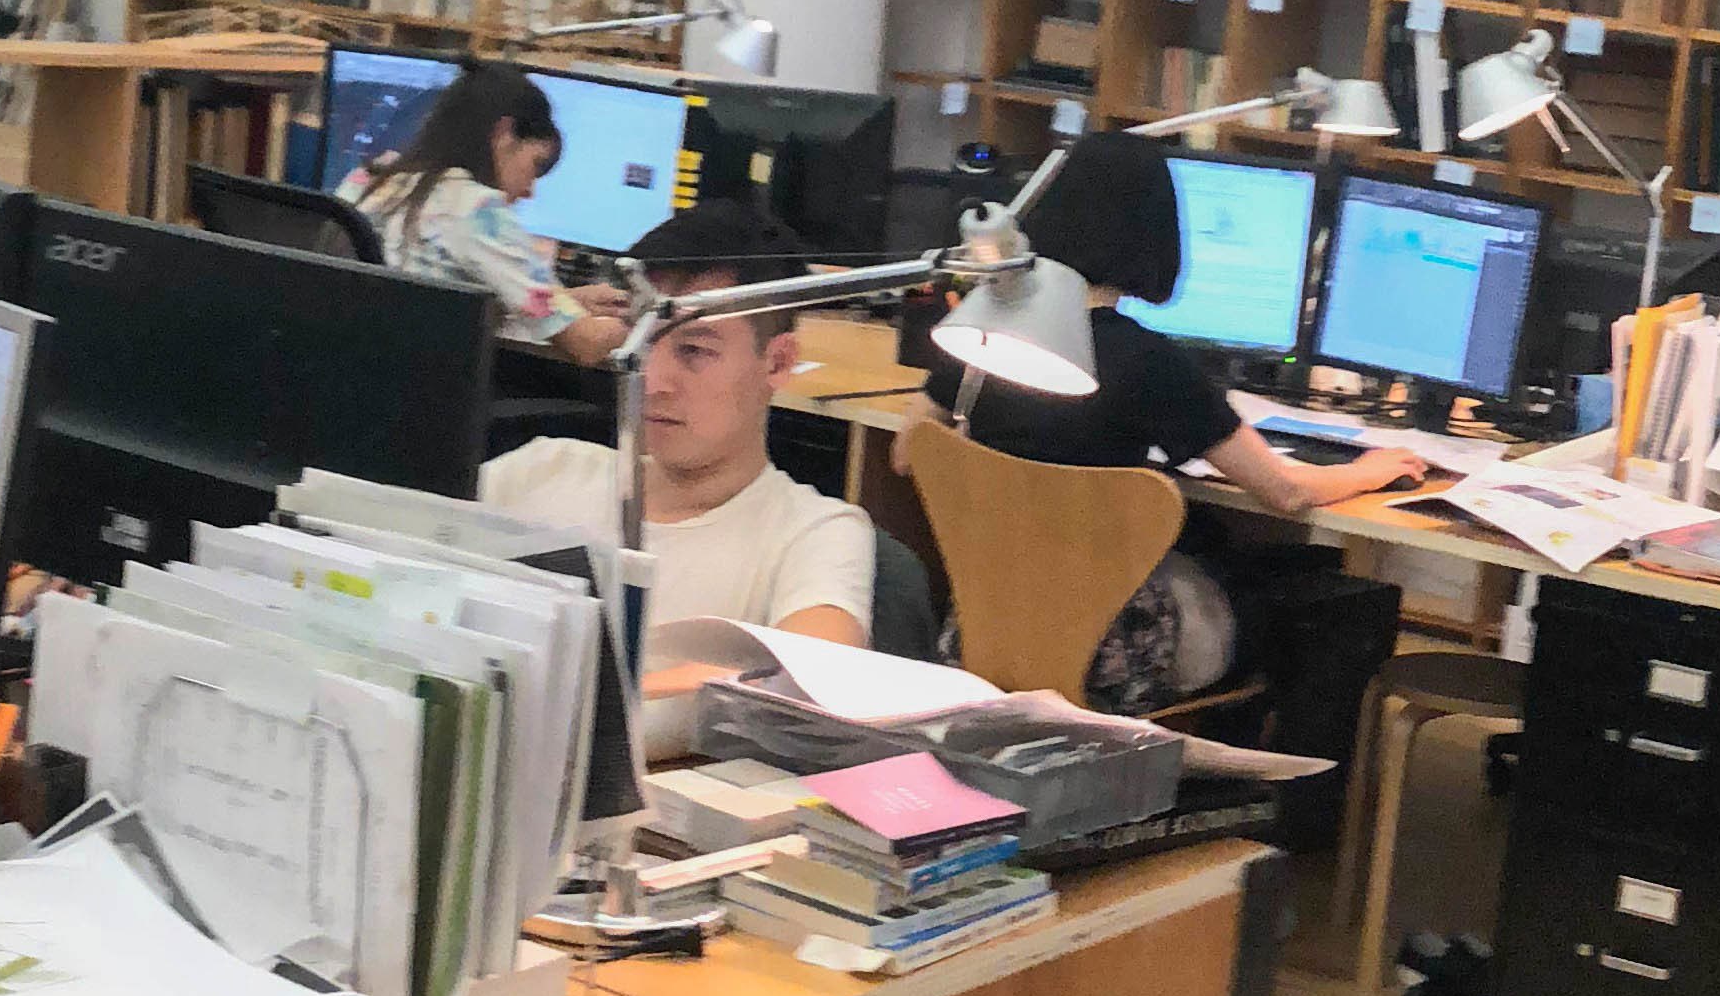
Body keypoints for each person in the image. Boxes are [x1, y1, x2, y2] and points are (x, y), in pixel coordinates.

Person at [934, 134, 1405, 757]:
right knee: (1336, 602)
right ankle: (1282, 815)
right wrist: (1372, 471)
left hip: (975, 631)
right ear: (1154, 238)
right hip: (1116, 657)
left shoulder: (981, 334)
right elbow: (1287, 492)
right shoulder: (1153, 366)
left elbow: (910, 452)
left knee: (1216, 543)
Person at [481, 200, 869, 672]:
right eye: (642, 341)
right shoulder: (540, 470)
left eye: (694, 350)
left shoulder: (811, 533)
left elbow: (819, 681)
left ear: (778, 361)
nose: (652, 380)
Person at [346, 64, 649, 361]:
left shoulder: (366, 180)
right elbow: (587, 344)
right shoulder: (477, 210)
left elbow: (425, 308)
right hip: (427, 392)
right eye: (536, 164)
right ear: (504, 134)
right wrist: (649, 320)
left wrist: (568, 302)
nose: (530, 191)